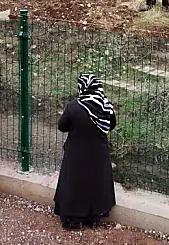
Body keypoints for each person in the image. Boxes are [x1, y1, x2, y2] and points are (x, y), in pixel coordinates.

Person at [54, 73, 117, 230]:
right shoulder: (106, 106)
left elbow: (62, 126)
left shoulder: (74, 107)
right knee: (96, 183)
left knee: (75, 183)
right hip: (99, 154)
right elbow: (111, 125)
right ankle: (94, 218)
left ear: (82, 87)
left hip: (76, 153)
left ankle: (74, 220)